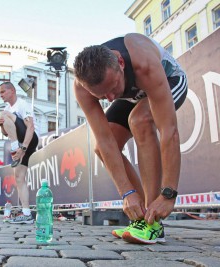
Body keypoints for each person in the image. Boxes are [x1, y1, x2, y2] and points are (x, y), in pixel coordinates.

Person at [73, 33, 188, 244]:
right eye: (101, 97)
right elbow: (106, 141)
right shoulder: (82, 87)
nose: (110, 99)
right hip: (135, 92)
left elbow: (169, 132)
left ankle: (153, 223)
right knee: (102, 149)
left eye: (112, 88)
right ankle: (144, 214)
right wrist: (127, 193)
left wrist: (168, 195)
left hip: (170, 79)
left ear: (121, 62)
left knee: (139, 119)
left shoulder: (143, 62)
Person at [0, 82, 39, 224]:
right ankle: (26, 214)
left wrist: (23, 148)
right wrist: (1, 125)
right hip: (20, 142)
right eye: (0, 93)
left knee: (3, 114)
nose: (1, 95)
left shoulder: (22, 104)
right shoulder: (7, 108)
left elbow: (31, 127)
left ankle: (15, 147)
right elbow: (5, 132)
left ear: (12, 90)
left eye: (3, 91)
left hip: (29, 139)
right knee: (19, 177)